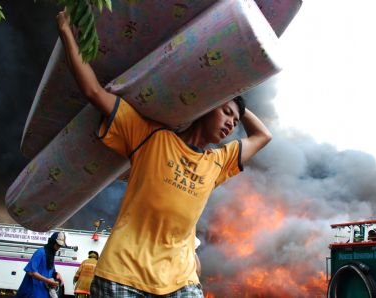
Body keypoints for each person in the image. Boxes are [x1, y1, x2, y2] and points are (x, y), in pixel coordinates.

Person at [57, 9, 272, 298]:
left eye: (235, 121)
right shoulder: (150, 137)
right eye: (226, 113)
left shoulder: (218, 162)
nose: (232, 123)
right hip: (122, 275)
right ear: (205, 107)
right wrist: (66, 32)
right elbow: (94, 91)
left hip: (179, 282)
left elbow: (262, 136)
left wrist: (233, 96)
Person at [15, 232, 65, 298]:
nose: (58, 248)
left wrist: (57, 275)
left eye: (60, 246)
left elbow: (50, 272)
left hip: (42, 293)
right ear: (52, 242)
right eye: (58, 245)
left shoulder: (51, 255)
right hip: (32, 292)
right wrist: (47, 281)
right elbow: (31, 272)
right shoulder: (40, 252)